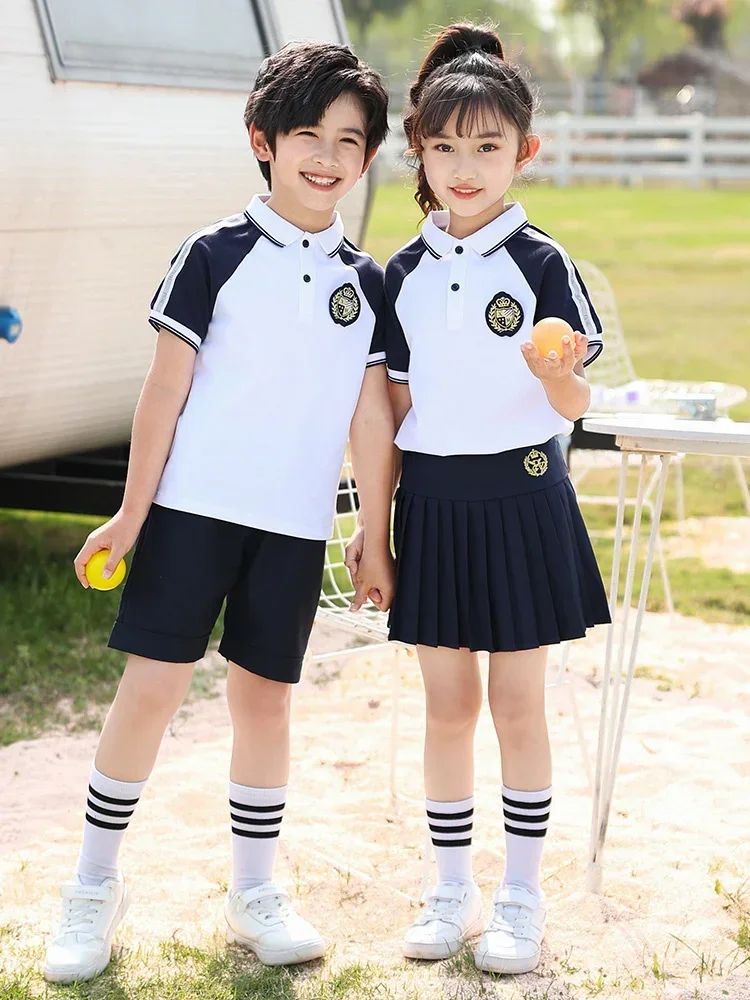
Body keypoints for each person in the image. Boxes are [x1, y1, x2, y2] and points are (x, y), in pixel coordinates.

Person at [43, 41, 394, 984]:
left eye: (349, 140)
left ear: (367, 160)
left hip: (292, 528)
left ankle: (253, 891)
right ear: (264, 140)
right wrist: (128, 515)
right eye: (308, 134)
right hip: (193, 514)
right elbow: (162, 394)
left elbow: (371, 415)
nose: (326, 155)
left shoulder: (369, 284)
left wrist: (375, 530)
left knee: (265, 701)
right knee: (151, 690)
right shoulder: (213, 253)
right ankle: (93, 884)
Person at [349, 22, 610, 976]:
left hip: (524, 498)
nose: (466, 167)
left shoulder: (543, 264)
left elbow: (579, 400)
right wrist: (375, 532)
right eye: (446, 146)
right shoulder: (400, 275)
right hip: (437, 509)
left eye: (488, 148)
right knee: (448, 707)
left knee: (519, 710)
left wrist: (556, 379)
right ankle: (450, 889)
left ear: (524, 153)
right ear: (417, 145)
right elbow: (398, 409)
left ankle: (523, 900)